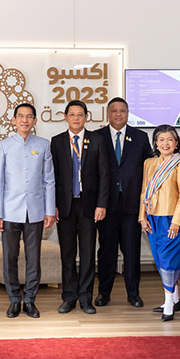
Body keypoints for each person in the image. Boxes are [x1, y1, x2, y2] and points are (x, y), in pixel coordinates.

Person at [0, 102, 56, 318]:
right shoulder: (4, 146)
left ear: (35, 121)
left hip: (35, 210)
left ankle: (29, 300)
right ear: (14, 120)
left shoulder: (43, 145)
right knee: (9, 256)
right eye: (20, 116)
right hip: (10, 210)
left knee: (33, 257)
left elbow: (49, 180)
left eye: (29, 116)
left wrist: (49, 211)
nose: (25, 120)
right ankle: (13, 299)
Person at [51, 100, 109, 315]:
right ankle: (69, 297)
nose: (76, 118)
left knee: (87, 253)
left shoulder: (97, 140)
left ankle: (85, 298)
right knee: (67, 253)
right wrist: (52, 205)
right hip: (65, 206)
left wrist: (101, 204)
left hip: (89, 205)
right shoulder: (57, 141)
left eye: (80, 114)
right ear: (65, 117)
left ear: (86, 117)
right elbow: (52, 176)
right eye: (72, 114)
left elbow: (104, 174)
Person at [96, 97, 151, 308]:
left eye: (123, 111)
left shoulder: (140, 137)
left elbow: (149, 168)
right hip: (106, 205)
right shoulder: (98, 137)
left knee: (132, 251)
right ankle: (103, 293)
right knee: (106, 252)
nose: (118, 114)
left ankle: (133, 293)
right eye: (114, 110)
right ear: (107, 114)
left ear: (128, 114)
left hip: (132, 205)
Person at [139, 125, 180, 321]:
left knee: (168, 260)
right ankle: (175, 299)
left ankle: (169, 303)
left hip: (172, 218)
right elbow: (144, 191)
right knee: (160, 259)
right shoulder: (149, 163)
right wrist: (142, 216)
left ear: (176, 143)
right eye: (161, 140)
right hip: (153, 217)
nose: (165, 143)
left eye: (170, 139)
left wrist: (177, 222)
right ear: (155, 143)